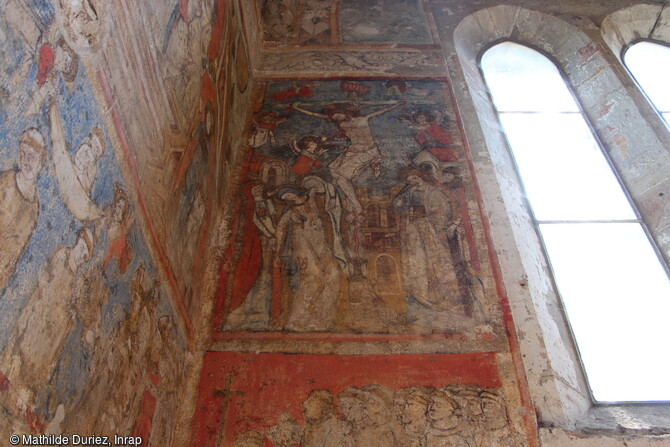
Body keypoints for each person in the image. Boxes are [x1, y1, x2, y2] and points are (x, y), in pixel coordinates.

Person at [1, 227, 94, 403]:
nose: (81, 256)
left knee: (38, 359)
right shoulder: (62, 255)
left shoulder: (75, 280)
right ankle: (10, 374)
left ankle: (21, 392)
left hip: (50, 331)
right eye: (82, 249)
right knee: (24, 348)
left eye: (85, 256)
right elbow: (46, 280)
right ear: (77, 242)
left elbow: (66, 304)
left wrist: (70, 314)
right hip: (40, 315)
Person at [292, 102, 402, 218]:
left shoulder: (361, 119)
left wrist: (396, 105)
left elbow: (381, 110)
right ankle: (345, 199)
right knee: (332, 169)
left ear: (345, 114)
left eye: (338, 116)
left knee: (341, 179)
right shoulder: (341, 123)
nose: (336, 119)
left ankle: (357, 207)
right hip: (352, 151)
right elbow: (314, 114)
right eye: (334, 117)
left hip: (366, 152)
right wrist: (296, 107)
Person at [275, 187, 341, 331]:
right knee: (313, 277)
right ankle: (297, 322)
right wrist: (278, 252)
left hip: (321, 245)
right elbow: (280, 230)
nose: (289, 198)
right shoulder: (290, 213)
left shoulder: (313, 204)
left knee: (333, 275)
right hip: (302, 246)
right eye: (286, 197)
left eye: (289, 194)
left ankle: (321, 320)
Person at [0, 128, 46, 291]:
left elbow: (17, 252)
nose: (26, 161)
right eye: (23, 154)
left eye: (32, 156)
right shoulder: (5, 182)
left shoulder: (34, 208)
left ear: (40, 163)